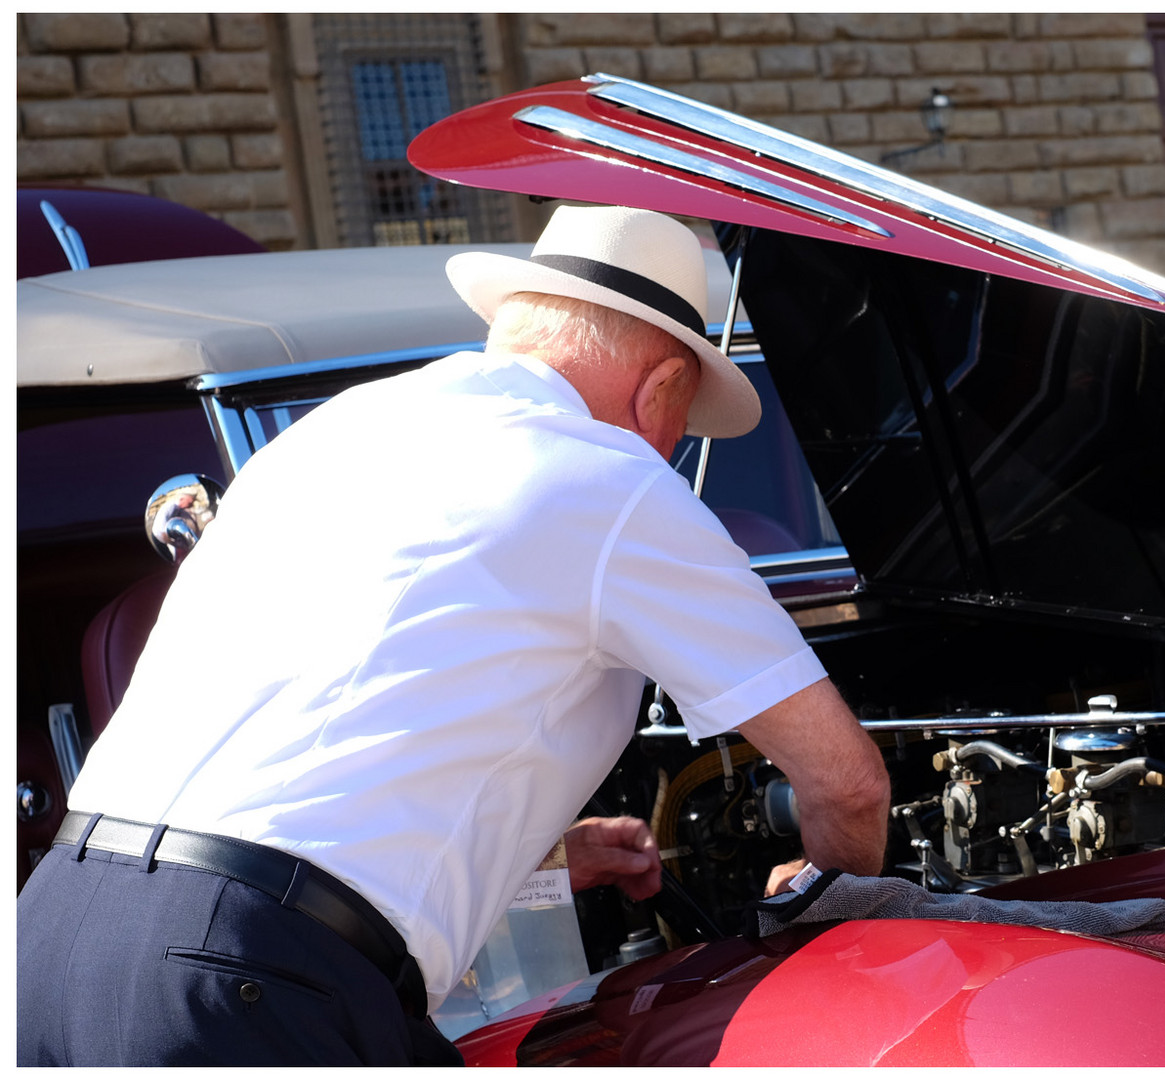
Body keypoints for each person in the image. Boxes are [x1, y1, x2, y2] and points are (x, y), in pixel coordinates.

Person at [17, 206, 891, 1066]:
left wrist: (536, 852)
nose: (669, 450)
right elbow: (847, 787)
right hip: (247, 975)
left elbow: (337, 709)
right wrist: (822, 907)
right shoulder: (607, 474)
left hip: (50, 938)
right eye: (681, 425)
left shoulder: (339, 428)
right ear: (661, 385)